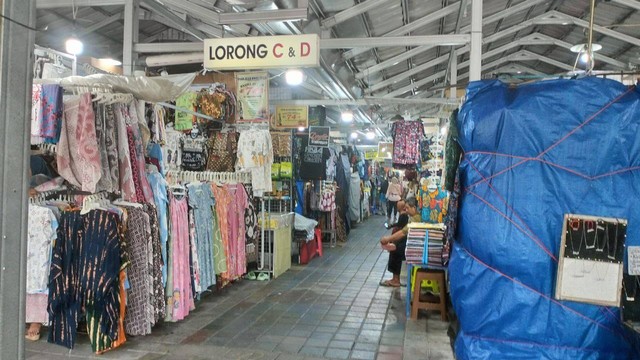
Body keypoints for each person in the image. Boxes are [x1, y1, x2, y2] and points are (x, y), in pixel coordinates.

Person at [379, 197, 421, 287]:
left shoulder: (416, 218)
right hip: (413, 243)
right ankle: (395, 278)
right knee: (395, 247)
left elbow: (403, 232)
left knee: (396, 250)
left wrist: (388, 239)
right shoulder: (413, 217)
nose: (406, 210)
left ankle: (396, 280)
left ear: (414, 208)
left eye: (407, 208)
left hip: (416, 247)